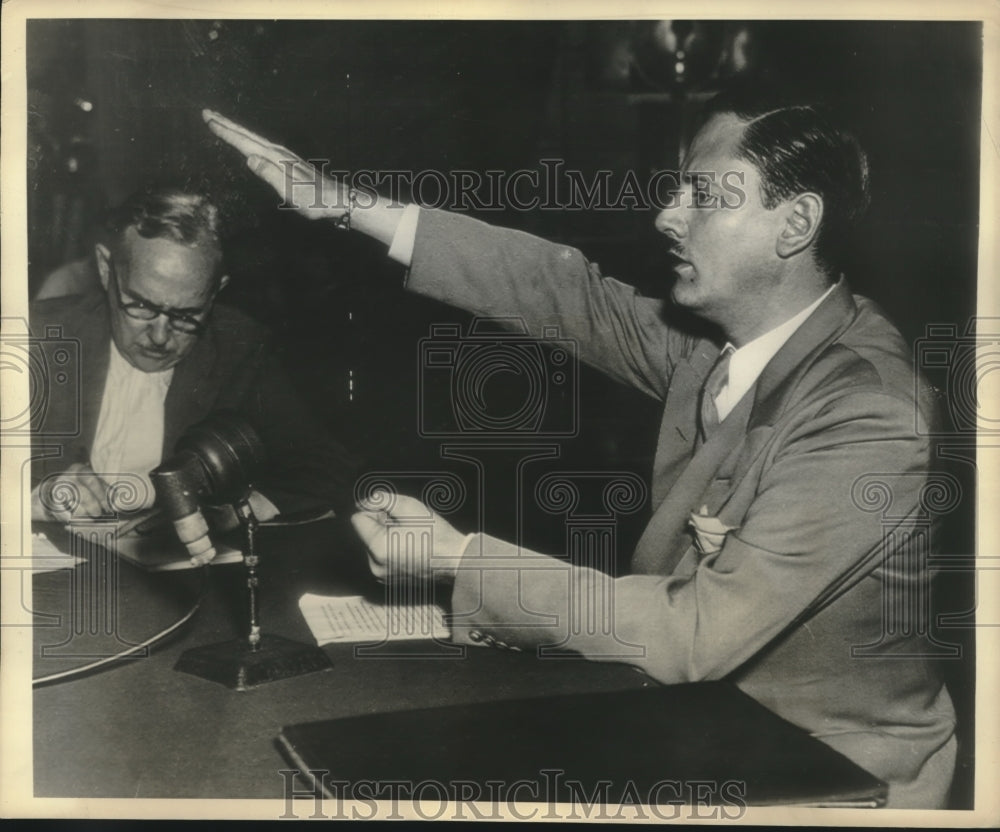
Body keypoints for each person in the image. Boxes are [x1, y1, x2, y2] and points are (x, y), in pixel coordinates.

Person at [203, 88, 956, 808]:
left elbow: (696, 634)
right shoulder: (728, 343)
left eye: (703, 195)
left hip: (835, 776)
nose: (668, 215)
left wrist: (461, 561)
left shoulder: (867, 412)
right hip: (704, 733)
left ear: (794, 226)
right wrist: (344, 205)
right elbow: (562, 291)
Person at [30, 187, 361, 534]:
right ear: (104, 268)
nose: (159, 336)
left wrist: (238, 510)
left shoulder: (239, 347)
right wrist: (34, 497)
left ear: (216, 291)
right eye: (141, 306)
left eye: (187, 315)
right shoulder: (37, 335)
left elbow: (326, 465)